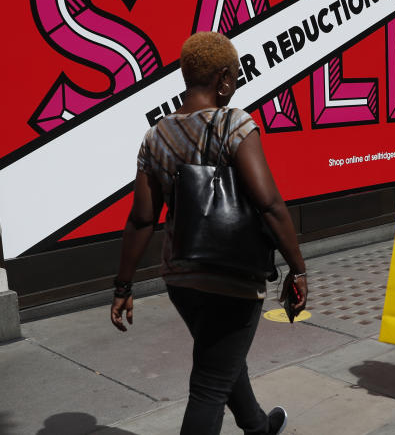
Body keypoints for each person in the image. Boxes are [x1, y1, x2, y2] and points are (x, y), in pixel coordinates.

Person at [110, 31, 307, 435]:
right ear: (222, 79)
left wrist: (123, 285)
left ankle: (257, 427)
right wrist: (298, 267)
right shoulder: (235, 123)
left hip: (181, 277)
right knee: (209, 385)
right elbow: (269, 203)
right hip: (233, 275)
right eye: (234, 76)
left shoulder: (155, 136)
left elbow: (142, 219)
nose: (235, 84)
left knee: (221, 359)